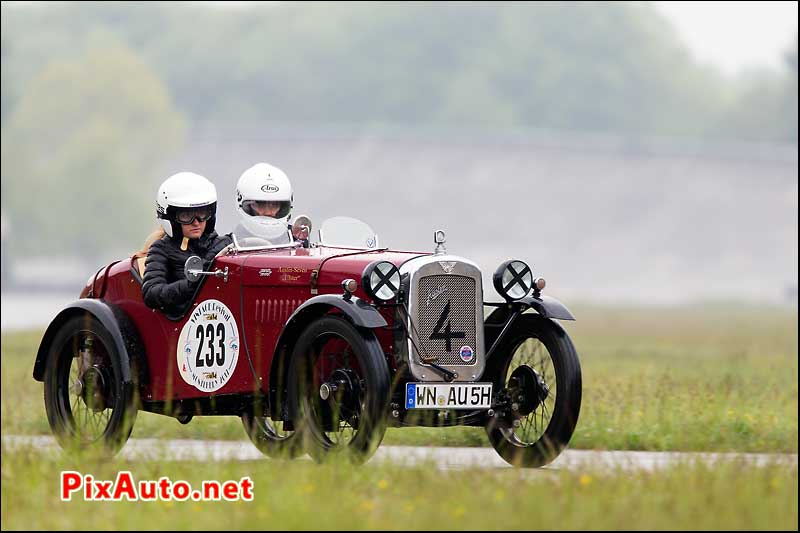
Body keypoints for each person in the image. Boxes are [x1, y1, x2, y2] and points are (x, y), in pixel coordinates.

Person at [142, 171, 232, 316]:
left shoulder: (227, 244)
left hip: (224, 315)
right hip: (187, 320)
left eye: (202, 213)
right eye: (186, 216)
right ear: (171, 219)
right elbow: (151, 293)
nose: (196, 222)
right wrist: (193, 284)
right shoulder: (161, 249)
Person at [233, 162, 293, 245]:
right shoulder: (225, 247)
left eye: (274, 204)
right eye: (260, 204)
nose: (268, 212)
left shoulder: (299, 243)